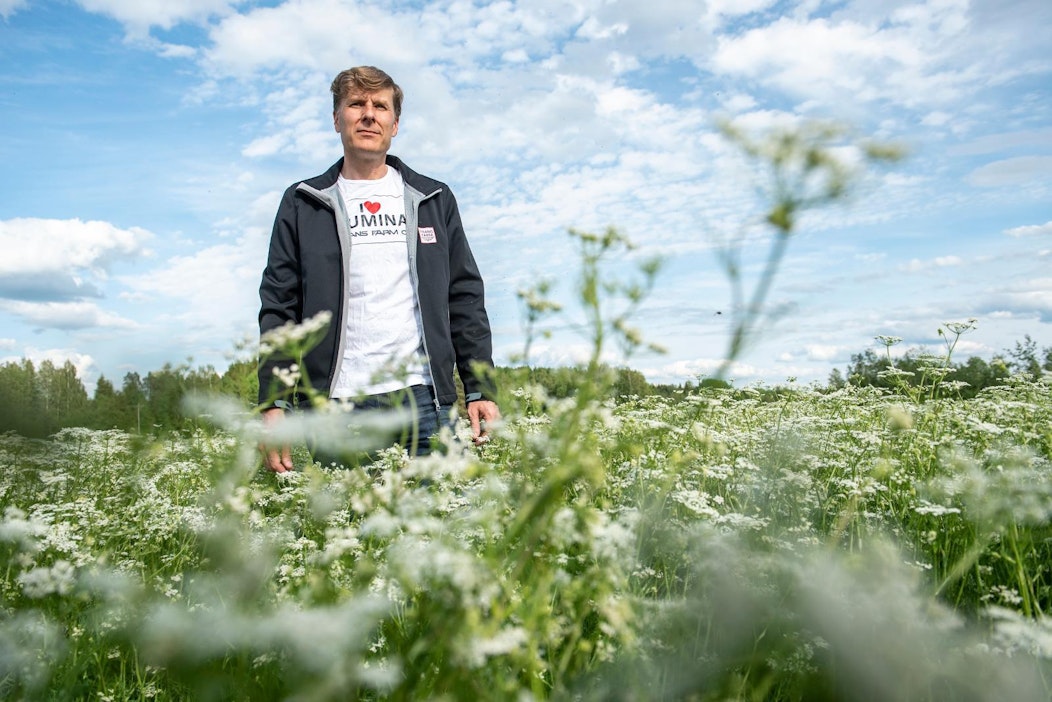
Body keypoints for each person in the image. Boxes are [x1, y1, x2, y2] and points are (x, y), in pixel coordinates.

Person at [257, 66, 500, 473]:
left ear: (395, 123)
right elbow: (280, 306)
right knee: (347, 534)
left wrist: (479, 389)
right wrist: (274, 401)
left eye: (380, 106)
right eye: (356, 104)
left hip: (425, 403)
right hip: (337, 406)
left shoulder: (433, 199)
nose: (369, 114)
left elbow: (465, 297)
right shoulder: (303, 203)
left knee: (436, 530)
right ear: (337, 119)